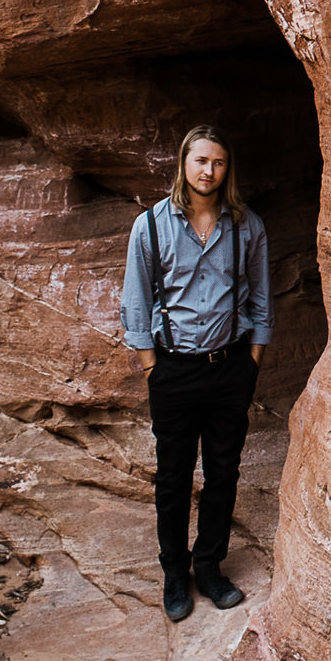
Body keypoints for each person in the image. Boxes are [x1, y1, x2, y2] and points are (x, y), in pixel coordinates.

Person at [120, 125, 271, 622]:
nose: (209, 171)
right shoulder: (152, 226)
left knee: (224, 471)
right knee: (173, 478)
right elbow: (136, 301)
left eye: (219, 162)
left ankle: (209, 567)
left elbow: (260, 296)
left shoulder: (245, 225)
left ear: (228, 170)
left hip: (229, 368)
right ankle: (174, 574)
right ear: (184, 164)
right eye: (200, 160)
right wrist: (149, 366)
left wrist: (253, 359)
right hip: (174, 372)